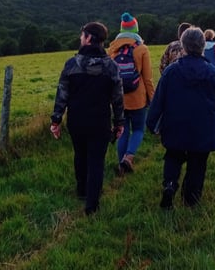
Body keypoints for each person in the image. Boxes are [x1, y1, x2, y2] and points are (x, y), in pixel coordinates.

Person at [146, 27, 215, 209]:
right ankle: (191, 199)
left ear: (183, 47)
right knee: (198, 162)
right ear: (203, 47)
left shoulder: (171, 72)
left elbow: (158, 101)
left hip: (175, 125)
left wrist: (152, 123)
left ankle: (170, 184)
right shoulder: (213, 73)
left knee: (173, 156)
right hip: (204, 127)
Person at [51, 21, 125, 215]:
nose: (80, 38)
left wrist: (56, 120)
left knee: (80, 154)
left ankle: (82, 190)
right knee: (96, 161)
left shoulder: (72, 64)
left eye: (82, 35)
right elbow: (117, 98)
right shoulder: (111, 66)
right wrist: (119, 122)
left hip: (76, 120)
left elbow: (62, 94)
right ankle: (92, 204)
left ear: (89, 38)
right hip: (100, 120)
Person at [107, 12, 155, 174]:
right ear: (136, 29)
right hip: (138, 98)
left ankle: (121, 165)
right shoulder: (141, 48)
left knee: (123, 131)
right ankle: (128, 157)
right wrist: (152, 99)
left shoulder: (112, 49)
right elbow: (147, 78)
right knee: (139, 129)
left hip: (118, 98)